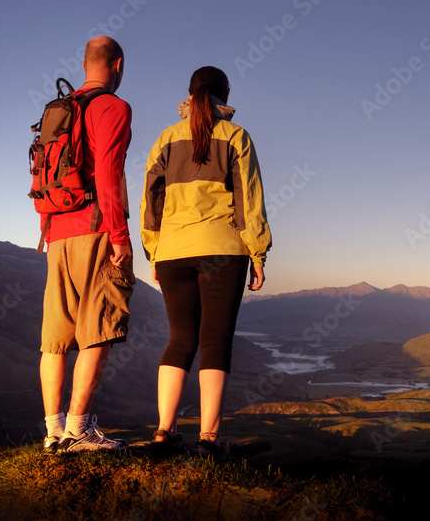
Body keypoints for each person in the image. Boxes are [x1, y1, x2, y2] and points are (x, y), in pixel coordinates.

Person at [140, 65, 271, 459]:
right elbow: (250, 203)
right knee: (215, 342)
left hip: (172, 253)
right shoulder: (236, 137)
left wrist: (154, 252)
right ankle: (208, 441)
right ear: (224, 96)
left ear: (191, 92)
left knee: (179, 341)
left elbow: (151, 203)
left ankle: (164, 433)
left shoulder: (165, 138)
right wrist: (258, 253)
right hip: (222, 251)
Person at [39, 35, 134, 453]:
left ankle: (53, 432)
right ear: (118, 65)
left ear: (83, 65)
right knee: (98, 329)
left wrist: (46, 230)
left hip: (56, 230)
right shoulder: (113, 107)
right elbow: (109, 172)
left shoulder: (58, 110)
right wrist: (120, 237)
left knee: (55, 339)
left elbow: (45, 172)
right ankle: (78, 432)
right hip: (95, 227)